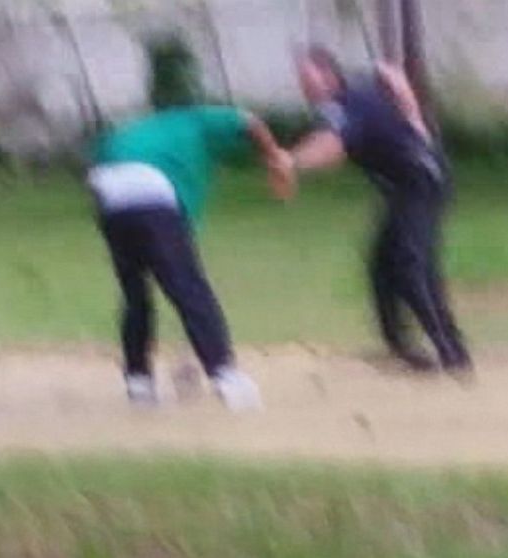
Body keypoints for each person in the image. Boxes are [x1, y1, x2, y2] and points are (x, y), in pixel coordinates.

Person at [278, 46, 471, 373]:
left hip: (419, 180)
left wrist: (291, 161)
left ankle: (451, 352)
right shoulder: (352, 97)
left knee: (410, 264)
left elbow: (332, 147)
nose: (303, 87)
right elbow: (398, 113)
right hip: (406, 185)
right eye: (301, 80)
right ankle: (401, 345)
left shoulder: (341, 104)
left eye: (307, 78)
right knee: (383, 266)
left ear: (328, 75)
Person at [88, 106, 294, 409]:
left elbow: (96, 166)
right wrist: (275, 156)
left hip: (106, 188)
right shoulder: (197, 120)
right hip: (151, 187)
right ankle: (225, 374)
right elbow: (249, 120)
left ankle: (138, 381)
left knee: (135, 291)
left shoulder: (136, 131)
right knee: (188, 286)